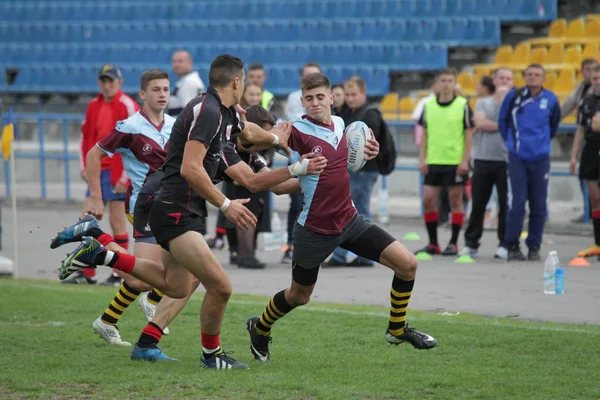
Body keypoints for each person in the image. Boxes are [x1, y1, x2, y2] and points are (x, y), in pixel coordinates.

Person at [57, 54, 310, 369]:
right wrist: (227, 203)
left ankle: (104, 256)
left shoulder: (227, 112)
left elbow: (250, 140)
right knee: (220, 286)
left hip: (179, 204)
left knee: (177, 285)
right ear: (236, 81)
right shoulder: (209, 113)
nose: (246, 84)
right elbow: (192, 168)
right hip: (174, 205)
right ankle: (211, 356)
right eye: (244, 79)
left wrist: (277, 142)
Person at [246, 72, 437, 363]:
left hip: (349, 220)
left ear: (331, 99)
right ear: (302, 100)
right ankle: (259, 327)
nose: (314, 103)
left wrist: (367, 151)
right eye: (308, 98)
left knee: (408, 264)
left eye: (320, 97)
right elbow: (259, 141)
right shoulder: (296, 130)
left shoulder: (341, 124)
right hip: (313, 230)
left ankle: (396, 329)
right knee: (299, 296)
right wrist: (267, 139)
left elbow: (345, 161)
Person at [76, 65, 139, 286]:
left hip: (117, 171)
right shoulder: (94, 105)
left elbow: (135, 143)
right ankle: (88, 272)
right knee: (87, 219)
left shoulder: (127, 105)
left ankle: (120, 274)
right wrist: (85, 166)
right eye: (103, 80)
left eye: (111, 80)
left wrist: (125, 177)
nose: (107, 84)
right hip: (98, 171)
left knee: (117, 223)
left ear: (119, 82)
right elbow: (86, 138)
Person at [498, 63, 561, 261]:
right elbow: (502, 121)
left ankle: (534, 245)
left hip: (540, 158)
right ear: (524, 77)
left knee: (539, 204)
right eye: (529, 74)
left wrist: (540, 144)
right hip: (517, 156)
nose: (533, 77)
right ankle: (512, 244)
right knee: (517, 202)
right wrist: (513, 143)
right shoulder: (514, 97)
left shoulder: (550, 99)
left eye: (537, 75)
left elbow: (554, 124)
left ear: (543, 78)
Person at [326, 76, 386, 267]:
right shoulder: (348, 113)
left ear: (363, 94)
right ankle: (344, 255)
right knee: (348, 212)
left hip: (364, 172)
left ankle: (362, 256)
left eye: (354, 95)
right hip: (352, 171)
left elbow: (369, 147)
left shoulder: (369, 115)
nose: (350, 98)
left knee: (358, 211)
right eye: (348, 95)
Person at [416, 68, 474, 256]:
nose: (447, 84)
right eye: (443, 80)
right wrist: (422, 158)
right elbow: (424, 134)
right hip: (433, 161)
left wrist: (465, 160)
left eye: (450, 80)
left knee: (455, 201)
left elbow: (469, 134)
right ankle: (433, 243)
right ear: (438, 83)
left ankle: (454, 242)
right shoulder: (429, 105)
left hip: (454, 162)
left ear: (455, 83)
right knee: (428, 200)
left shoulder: (462, 105)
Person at [460, 69, 514, 259]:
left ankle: (505, 243)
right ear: (495, 80)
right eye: (501, 78)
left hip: (506, 160)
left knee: (505, 203)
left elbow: (508, 124)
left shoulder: (514, 102)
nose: (504, 81)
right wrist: (501, 123)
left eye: (508, 78)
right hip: (483, 158)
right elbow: (481, 123)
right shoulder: (483, 101)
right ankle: (471, 243)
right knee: (479, 203)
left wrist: (502, 106)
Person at [282, 62, 323, 263]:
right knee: (297, 202)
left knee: (319, 202)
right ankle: (291, 246)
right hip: (298, 156)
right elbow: (297, 124)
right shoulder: (294, 98)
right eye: (307, 76)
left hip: (321, 158)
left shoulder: (334, 118)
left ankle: (317, 248)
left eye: (315, 76)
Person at [562, 58, 598, 224]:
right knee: (588, 183)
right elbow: (569, 105)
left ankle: (591, 214)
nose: (591, 74)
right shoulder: (582, 91)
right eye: (588, 70)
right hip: (587, 141)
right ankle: (589, 214)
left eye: (594, 70)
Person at [569, 64, 600, 257]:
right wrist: (573, 156)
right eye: (595, 78)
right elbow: (580, 130)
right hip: (591, 150)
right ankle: (597, 243)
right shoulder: (587, 101)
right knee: (595, 198)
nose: (597, 81)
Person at [167, 50, 205, 117]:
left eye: (180, 61)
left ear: (190, 63)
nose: (176, 64)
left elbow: (188, 113)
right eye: (174, 61)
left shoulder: (189, 82)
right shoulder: (186, 80)